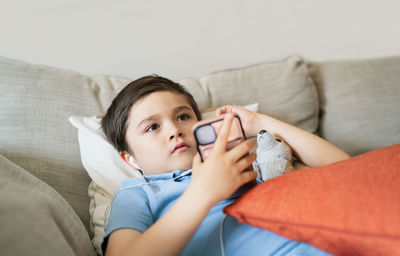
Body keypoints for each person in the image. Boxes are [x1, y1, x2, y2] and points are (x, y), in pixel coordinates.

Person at [101, 75, 350, 256]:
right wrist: (204, 192)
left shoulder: (245, 161)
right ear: (129, 159)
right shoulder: (137, 192)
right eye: (152, 127)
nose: (175, 130)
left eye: (183, 116)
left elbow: (349, 170)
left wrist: (256, 123)